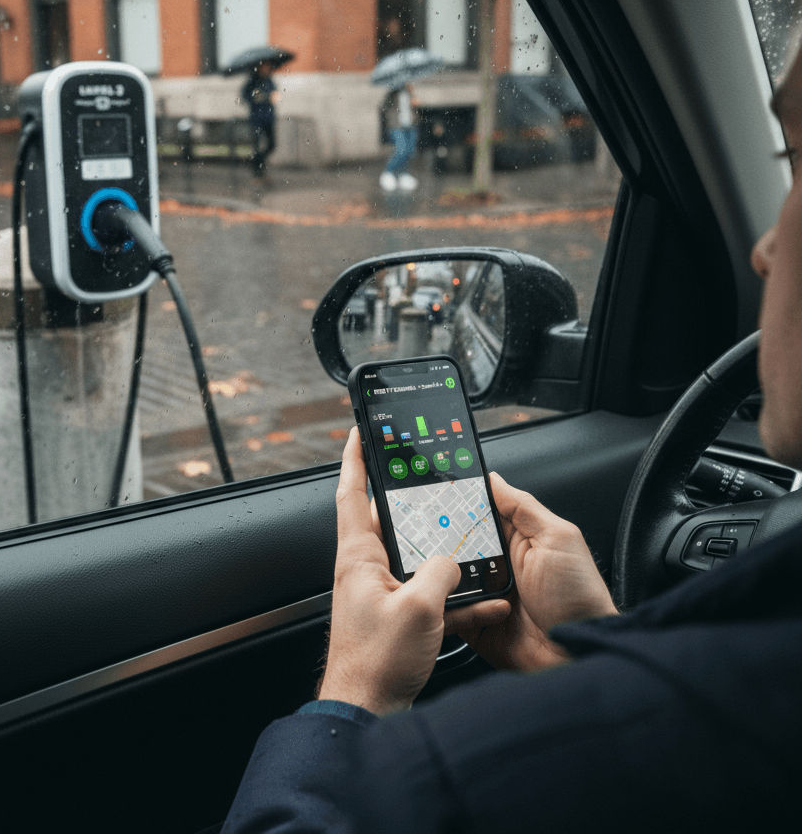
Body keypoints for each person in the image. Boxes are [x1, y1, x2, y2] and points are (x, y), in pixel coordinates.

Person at [220, 47, 802, 832]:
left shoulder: (458, 775)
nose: (764, 249)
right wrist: (590, 655)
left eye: (795, 162)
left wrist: (355, 693)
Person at [242, 61, 280, 180]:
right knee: (257, 146)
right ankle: (258, 174)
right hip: (257, 119)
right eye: (264, 67)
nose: (266, 69)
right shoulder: (252, 82)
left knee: (271, 145)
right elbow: (245, 96)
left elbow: (275, 95)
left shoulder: (270, 81)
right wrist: (255, 97)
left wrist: (272, 97)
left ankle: (260, 164)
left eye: (268, 66)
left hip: (269, 118)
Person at [381, 82, 419, 192]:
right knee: (401, 150)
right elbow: (384, 107)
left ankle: (403, 174)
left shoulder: (410, 93)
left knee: (410, 151)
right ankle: (388, 172)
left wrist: (413, 97)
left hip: (411, 125)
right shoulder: (393, 92)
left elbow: (415, 107)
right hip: (397, 126)